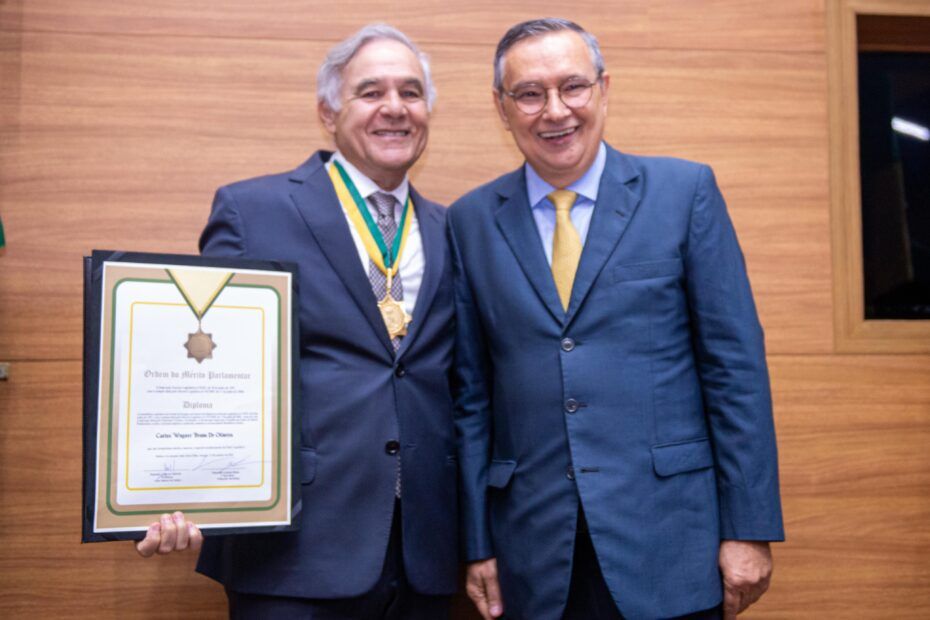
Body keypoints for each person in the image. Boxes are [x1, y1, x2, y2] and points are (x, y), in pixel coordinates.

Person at [448, 18, 784, 620]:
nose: (555, 111)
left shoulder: (684, 192)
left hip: (672, 541)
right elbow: (472, 397)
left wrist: (749, 528)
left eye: (572, 86)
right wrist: (476, 542)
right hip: (532, 554)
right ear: (502, 109)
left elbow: (735, 373)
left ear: (604, 88)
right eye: (529, 93)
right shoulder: (470, 221)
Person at [135, 24, 457, 619]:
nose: (394, 108)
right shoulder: (252, 210)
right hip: (294, 554)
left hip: (426, 556)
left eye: (411, 92)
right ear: (328, 112)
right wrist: (174, 493)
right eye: (371, 92)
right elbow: (206, 369)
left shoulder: (454, 229)